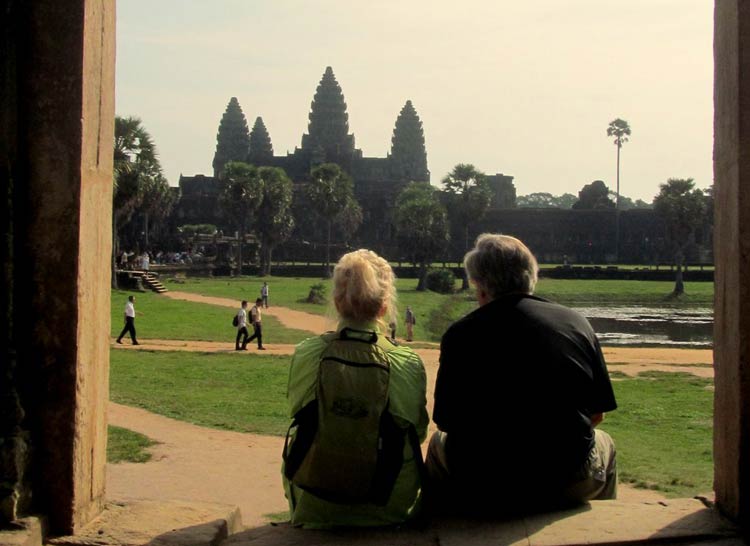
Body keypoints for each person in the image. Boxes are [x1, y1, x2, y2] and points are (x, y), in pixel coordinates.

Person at [427, 233, 618, 515]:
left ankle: (445, 526)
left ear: (480, 287)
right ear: (532, 277)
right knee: (606, 444)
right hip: (567, 477)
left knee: (436, 445)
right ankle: (605, 531)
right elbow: (596, 415)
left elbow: (445, 420)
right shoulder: (576, 323)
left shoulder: (461, 334)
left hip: (483, 482)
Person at [282, 249, 429, 528]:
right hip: (388, 505)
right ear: (384, 306)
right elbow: (418, 431)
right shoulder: (406, 361)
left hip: (316, 503)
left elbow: (296, 411)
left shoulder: (308, 353)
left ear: (337, 302)